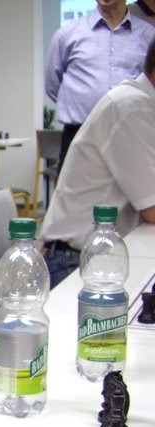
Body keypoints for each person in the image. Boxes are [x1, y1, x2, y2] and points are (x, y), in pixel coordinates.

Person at [40, 38, 155, 287]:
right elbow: (152, 210)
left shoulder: (142, 104)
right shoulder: (131, 107)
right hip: (78, 263)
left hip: (102, 255)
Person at [46, 0, 155, 177]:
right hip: (79, 134)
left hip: (131, 135)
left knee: (134, 194)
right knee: (74, 194)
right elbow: (53, 85)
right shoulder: (67, 34)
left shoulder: (149, 36)